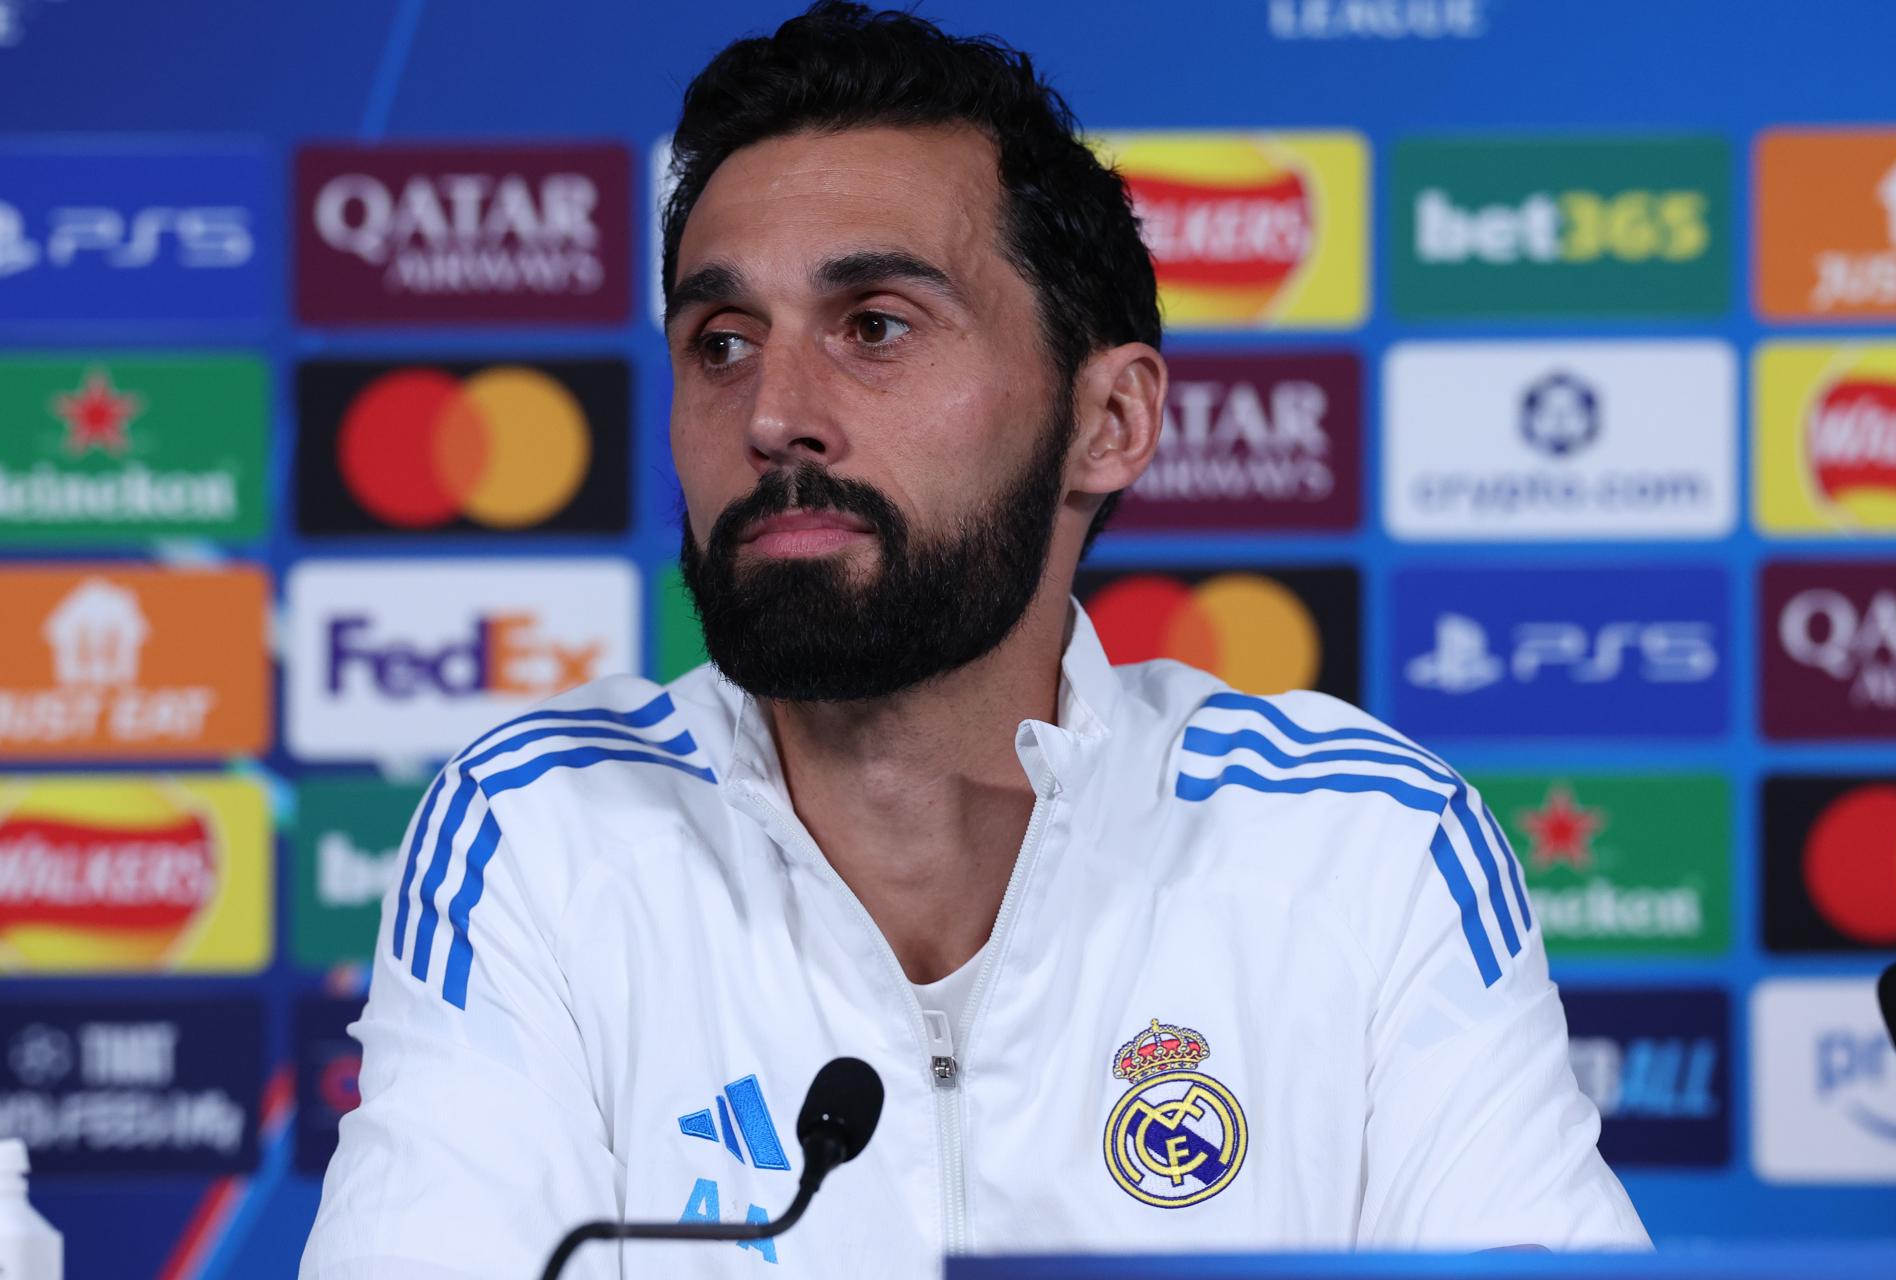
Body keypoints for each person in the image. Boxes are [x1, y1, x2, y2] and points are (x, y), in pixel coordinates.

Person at [300, 4, 1649, 1276]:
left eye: (875, 326)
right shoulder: (543, 827)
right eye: (720, 341)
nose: (774, 414)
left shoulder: (1365, 845)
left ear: (1107, 421)